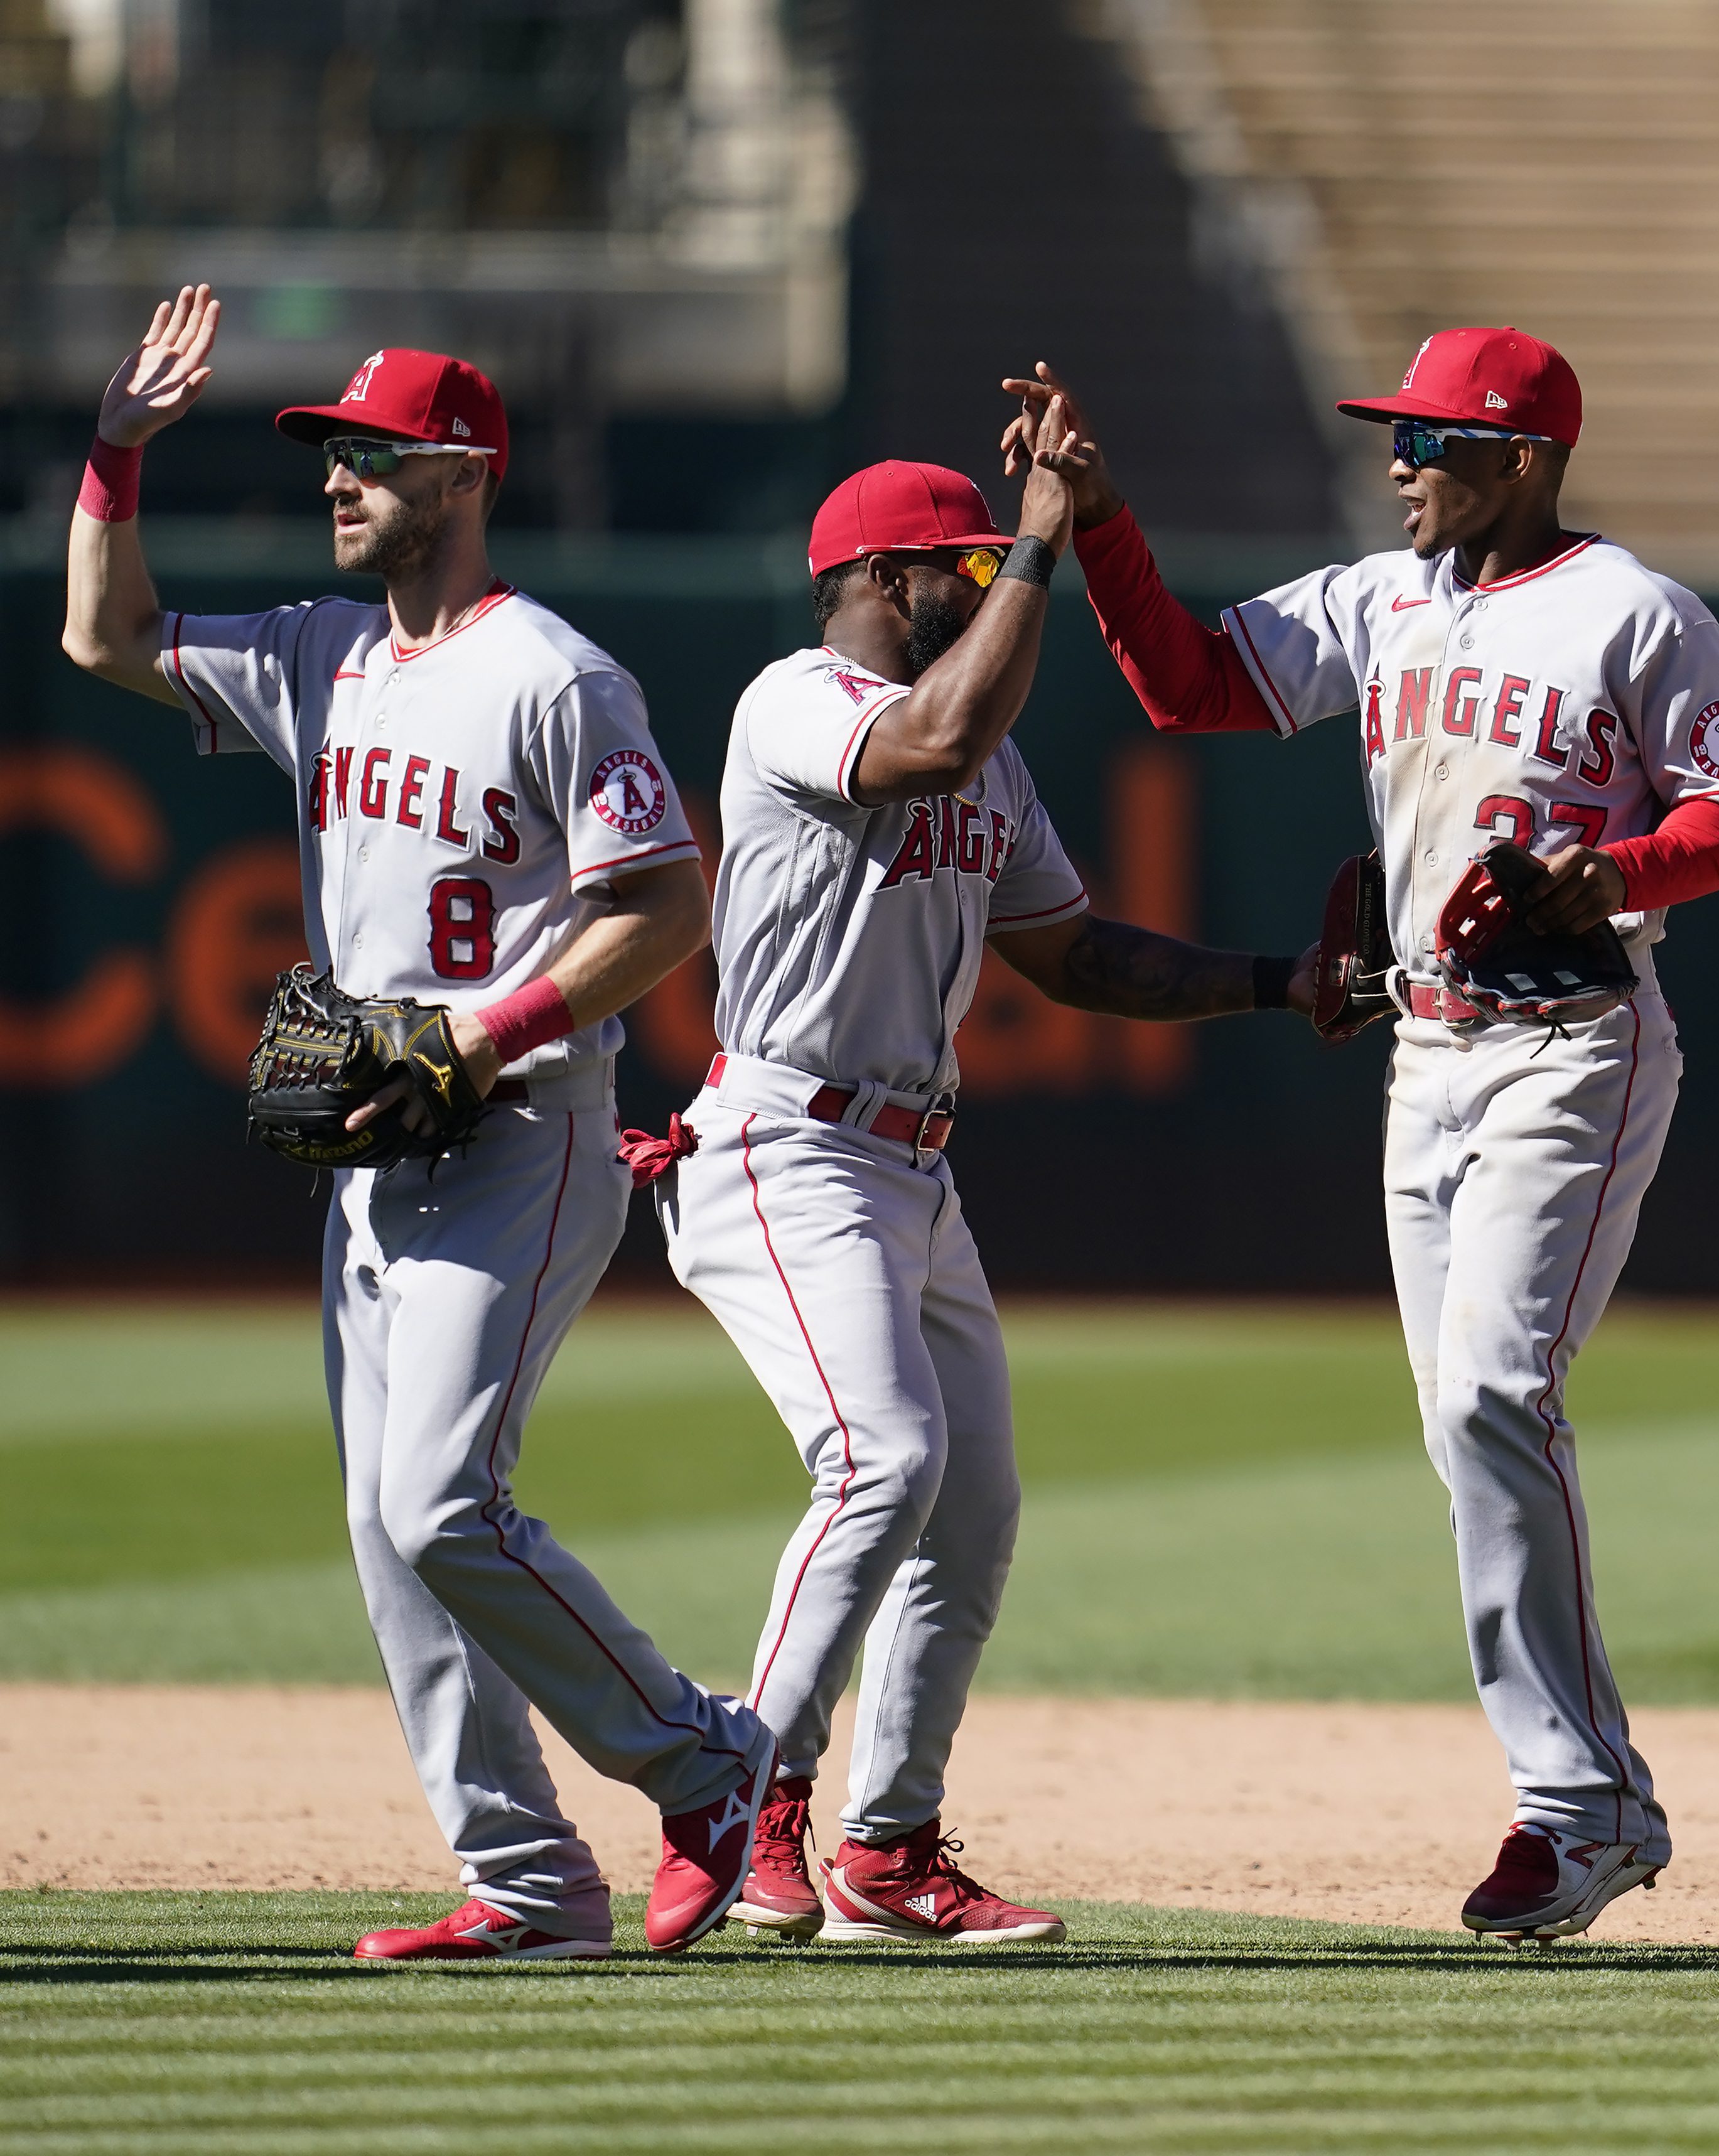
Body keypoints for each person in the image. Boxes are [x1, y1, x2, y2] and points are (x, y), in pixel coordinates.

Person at [1034, 327, 1719, 1943]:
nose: (1400, 461)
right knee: (1462, 1426)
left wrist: (1618, 872)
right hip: (1424, 1050)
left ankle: (1576, 1809)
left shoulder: (1635, 612)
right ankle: (1593, 1799)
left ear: (1522, 457)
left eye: (1431, 438)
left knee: (1501, 1394)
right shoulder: (1381, 600)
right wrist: (1098, 517)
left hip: (1575, 1042)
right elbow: (1188, 680)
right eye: (1399, 435)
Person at [59, 288, 772, 1962]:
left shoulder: (555, 675)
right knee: (394, 1535)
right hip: (372, 1142)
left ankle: (714, 1762)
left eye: (372, 452)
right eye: (332, 450)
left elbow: (667, 908)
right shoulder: (322, 652)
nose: (337, 475)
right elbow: (103, 638)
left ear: (462, 474)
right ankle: (528, 1884)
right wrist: (112, 454)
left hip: (523, 1132)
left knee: (444, 1502)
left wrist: (486, 1031)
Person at [655, 397, 1317, 1947]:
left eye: (988, 554)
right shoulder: (795, 700)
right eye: (957, 560)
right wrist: (1037, 529)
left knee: (973, 1509)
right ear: (883, 576)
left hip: (912, 1166)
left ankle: (886, 1848)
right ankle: (740, 1793)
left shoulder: (988, 751)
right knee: (881, 1461)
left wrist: (1281, 979)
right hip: (787, 1139)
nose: (992, 577)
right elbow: (934, 738)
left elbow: (1075, 953)